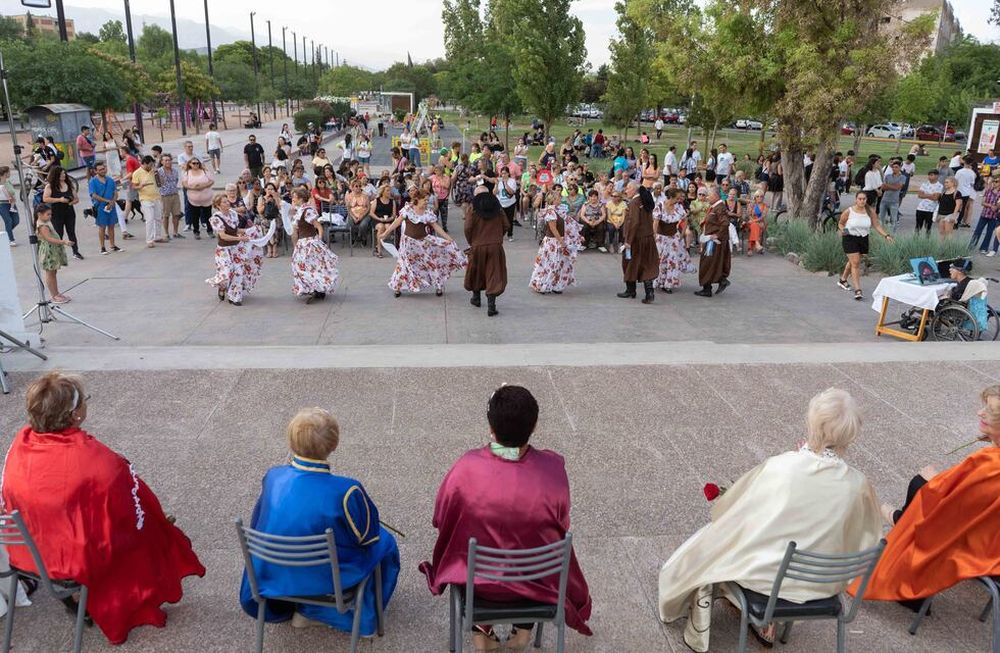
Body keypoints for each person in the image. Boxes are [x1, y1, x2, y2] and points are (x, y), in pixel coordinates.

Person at [658, 388, 881, 651]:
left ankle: (745, 610)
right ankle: (768, 622)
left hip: (769, 580)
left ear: (812, 424)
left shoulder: (783, 467)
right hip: (822, 583)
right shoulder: (858, 484)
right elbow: (865, 536)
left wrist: (799, 461)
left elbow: (737, 511)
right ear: (851, 435)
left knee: (713, 543)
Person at [1, 372, 205, 644]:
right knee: (151, 527)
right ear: (75, 415)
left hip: (26, 551)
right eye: (84, 400)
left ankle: (74, 597)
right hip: (72, 559)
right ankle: (104, 596)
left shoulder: (19, 444)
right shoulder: (97, 461)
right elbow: (128, 513)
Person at [419, 385, 593, 651]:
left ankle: (480, 632)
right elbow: (561, 524)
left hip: (478, 582)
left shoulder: (466, 469)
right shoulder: (553, 469)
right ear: (534, 426)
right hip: (536, 584)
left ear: (491, 428)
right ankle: (523, 631)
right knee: (532, 545)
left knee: (465, 546)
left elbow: (441, 519)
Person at [239, 407, 400, 634]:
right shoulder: (347, 490)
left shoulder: (273, 476)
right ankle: (358, 618)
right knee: (386, 543)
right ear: (333, 445)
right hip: (325, 578)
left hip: (273, 573)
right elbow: (367, 537)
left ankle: (299, 607)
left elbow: (260, 520)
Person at [854, 385, 1000, 608]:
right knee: (927, 487)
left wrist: (933, 479)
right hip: (991, 533)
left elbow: (955, 502)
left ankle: (909, 577)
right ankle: (901, 520)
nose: (981, 413)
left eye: (990, 411)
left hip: (981, 541)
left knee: (921, 485)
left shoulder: (991, 464)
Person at [383, 189, 466, 297]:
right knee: (404, 265)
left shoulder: (428, 213)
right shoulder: (408, 209)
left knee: (431, 263)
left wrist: (448, 238)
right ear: (417, 199)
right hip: (408, 243)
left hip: (423, 242)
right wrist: (385, 233)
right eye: (425, 200)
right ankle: (398, 288)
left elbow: (436, 227)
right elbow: (397, 222)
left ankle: (438, 286)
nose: (427, 202)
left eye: (427, 200)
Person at [835, 191, 894, 301]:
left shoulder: (870, 211)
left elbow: (876, 225)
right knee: (856, 263)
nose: (862, 201)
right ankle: (858, 290)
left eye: (864, 199)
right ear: (856, 200)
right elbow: (841, 223)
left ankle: (843, 280)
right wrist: (843, 230)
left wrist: (886, 235)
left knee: (853, 262)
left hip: (863, 239)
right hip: (850, 238)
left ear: (866, 200)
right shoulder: (849, 211)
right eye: (860, 199)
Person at [289, 187, 340, 303]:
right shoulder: (300, 210)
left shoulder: (307, 211)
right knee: (301, 266)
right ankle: (314, 289)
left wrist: (319, 239)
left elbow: (318, 226)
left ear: (301, 198)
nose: (293, 199)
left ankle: (316, 289)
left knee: (310, 266)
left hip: (309, 243)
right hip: (302, 243)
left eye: (294, 197)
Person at [464, 187, 509, 316]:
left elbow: (468, 228)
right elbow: (506, 225)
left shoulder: (473, 208)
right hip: (495, 245)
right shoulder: (497, 208)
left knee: (476, 271)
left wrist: (472, 241)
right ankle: (491, 306)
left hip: (477, 245)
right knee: (494, 273)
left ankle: (476, 298)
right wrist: (497, 237)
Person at [205, 193, 252, 305]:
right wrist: (239, 238)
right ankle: (222, 287)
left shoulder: (233, 214)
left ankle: (235, 297)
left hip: (235, 248)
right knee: (226, 273)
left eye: (227, 201)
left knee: (239, 271)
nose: (227, 203)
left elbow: (235, 229)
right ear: (218, 205)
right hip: (223, 250)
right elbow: (223, 236)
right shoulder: (215, 218)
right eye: (224, 202)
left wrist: (247, 231)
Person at [616, 182, 659, 303]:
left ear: (635, 190)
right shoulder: (644, 201)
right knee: (646, 264)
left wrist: (628, 241)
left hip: (636, 239)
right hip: (648, 237)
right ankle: (649, 293)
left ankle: (631, 290)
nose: (626, 191)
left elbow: (634, 223)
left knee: (629, 263)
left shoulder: (634, 203)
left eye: (628, 188)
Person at [654, 188, 694, 293]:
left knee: (672, 260)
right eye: (677, 198)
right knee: (660, 260)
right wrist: (654, 235)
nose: (679, 200)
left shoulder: (679, 207)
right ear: (671, 197)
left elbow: (685, 219)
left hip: (673, 238)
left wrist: (682, 234)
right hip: (661, 238)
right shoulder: (660, 205)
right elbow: (656, 222)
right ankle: (659, 281)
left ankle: (668, 283)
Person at [694, 188, 731, 298]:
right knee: (710, 263)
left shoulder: (719, 208)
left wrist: (717, 235)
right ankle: (715, 283)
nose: (707, 197)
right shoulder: (715, 207)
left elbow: (725, 223)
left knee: (707, 263)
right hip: (709, 239)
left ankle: (709, 287)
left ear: (715, 196)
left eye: (709, 196)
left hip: (713, 241)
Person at [32, 203, 72, 303]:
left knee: (53, 272)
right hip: (48, 251)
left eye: (50, 214)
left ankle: (56, 293)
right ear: (39, 214)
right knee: (50, 273)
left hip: (52, 250)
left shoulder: (45, 222)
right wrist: (64, 242)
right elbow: (49, 239)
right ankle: (54, 295)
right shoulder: (42, 225)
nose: (50, 216)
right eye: (48, 214)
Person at [41, 165, 82, 260]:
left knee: (71, 232)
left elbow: (76, 199)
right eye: (61, 174)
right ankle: (58, 253)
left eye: (64, 173)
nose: (64, 175)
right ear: (56, 175)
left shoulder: (69, 184)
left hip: (69, 211)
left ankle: (75, 251)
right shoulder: (50, 186)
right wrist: (59, 199)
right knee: (58, 233)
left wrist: (71, 202)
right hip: (56, 212)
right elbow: (45, 198)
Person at [88, 161, 121, 255]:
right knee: (102, 227)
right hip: (100, 207)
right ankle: (102, 247)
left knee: (111, 226)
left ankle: (112, 245)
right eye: (100, 169)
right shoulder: (93, 181)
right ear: (95, 171)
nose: (103, 171)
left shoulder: (110, 180)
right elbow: (93, 195)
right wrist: (106, 201)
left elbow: (115, 192)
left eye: (104, 168)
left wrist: (113, 201)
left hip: (111, 205)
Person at [133, 155, 164, 248]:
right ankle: (149, 239)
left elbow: (160, 183)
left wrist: (156, 174)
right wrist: (141, 186)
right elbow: (134, 186)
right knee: (150, 219)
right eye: (150, 164)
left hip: (156, 197)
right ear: (145, 164)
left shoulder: (154, 171)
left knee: (158, 217)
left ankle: (157, 236)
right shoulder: (137, 173)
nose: (152, 166)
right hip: (145, 198)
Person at [182, 157, 214, 240]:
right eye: (193, 163)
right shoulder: (187, 173)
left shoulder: (205, 171)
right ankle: (196, 231)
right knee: (195, 216)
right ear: (190, 164)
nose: (196, 165)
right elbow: (184, 184)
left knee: (208, 215)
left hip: (206, 198)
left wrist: (203, 186)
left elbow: (211, 181)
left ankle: (210, 231)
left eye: (197, 163)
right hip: (193, 199)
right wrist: (193, 187)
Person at [970, 176, 999, 256]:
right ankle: (972, 245)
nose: (994, 183)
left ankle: (984, 248)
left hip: (994, 216)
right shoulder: (988, 191)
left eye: (997, 182)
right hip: (984, 214)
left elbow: (997, 207)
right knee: (978, 231)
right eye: (994, 181)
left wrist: (994, 206)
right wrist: (990, 205)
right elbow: (982, 202)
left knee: (989, 233)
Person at [879, 159, 905, 231]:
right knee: (881, 218)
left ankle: (893, 235)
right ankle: (881, 233)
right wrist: (891, 186)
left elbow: (897, 187)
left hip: (894, 201)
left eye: (896, 167)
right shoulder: (887, 176)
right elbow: (883, 187)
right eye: (893, 167)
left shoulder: (902, 177)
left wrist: (888, 185)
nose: (894, 169)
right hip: (884, 200)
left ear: (900, 167)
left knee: (893, 219)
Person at [914, 169, 942, 236]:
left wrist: (925, 195)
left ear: (937, 176)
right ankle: (915, 239)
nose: (929, 177)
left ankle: (927, 240)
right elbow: (920, 195)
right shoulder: (924, 184)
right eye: (929, 175)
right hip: (921, 208)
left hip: (931, 209)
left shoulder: (939, 186)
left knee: (928, 226)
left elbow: (935, 198)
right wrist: (931, 195)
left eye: (931, 175)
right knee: (918, 225)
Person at [954, 157, 978, 228]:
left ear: (964, 162)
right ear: (971, 164)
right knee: (963, 208)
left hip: (958, 191)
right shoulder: (972, 173)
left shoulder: (959, 171)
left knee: (956, 206)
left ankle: (953, 220)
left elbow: (955, 181)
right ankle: (957, 222)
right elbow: (972, 183)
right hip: (966, 192)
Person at [745, 190, 768, 255]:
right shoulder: (752, 205)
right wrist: (753, 221)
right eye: (757, 196)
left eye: (761, 196)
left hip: (760, 222)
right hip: (751, 222)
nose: (759, 198)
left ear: (763, 198)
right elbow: (749, 215)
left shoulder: (765, 206)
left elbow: (762, 217)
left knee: (755, 226)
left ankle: (750, 249)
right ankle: (757, 244)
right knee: (754, 226)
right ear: (755, 197)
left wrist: (754, 221)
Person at [0, 166, 18, 246]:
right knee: (8, 221)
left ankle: (6, 234)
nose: (10, 173)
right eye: (9, 172)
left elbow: (13, 192)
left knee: (16, 220)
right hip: (2, 204)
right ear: (5, 173)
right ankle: (11, 239)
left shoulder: (8, 182)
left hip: (12, 203)